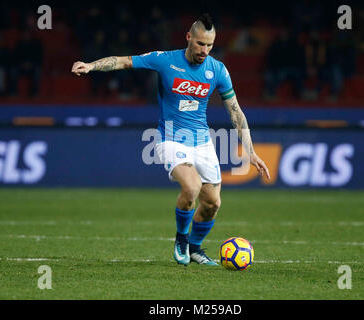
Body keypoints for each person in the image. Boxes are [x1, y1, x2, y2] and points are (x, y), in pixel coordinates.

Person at [71, 13, 270, 266]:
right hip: (170, 139)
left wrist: (250, 151)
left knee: (212, 203)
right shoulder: (165, 60)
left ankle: (196, 249)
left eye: (209, 45)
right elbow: (123, 62)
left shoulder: (217, 70)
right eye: (200, 44)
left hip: (202, 140)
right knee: (191, 187)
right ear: (188, 37)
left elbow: (235, 111)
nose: (204, 50)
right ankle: (181, 240)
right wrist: (90, 66)